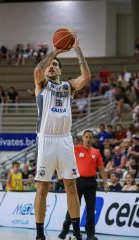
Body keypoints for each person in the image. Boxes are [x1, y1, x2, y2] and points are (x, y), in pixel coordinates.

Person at [33, 32, 90, 240]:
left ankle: (75, 232)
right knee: (42, 187)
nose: (52, 66)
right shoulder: (42, 85)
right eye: (50, 64)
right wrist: (55, 51)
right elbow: (38, 69)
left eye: (56, 64)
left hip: (64, 139)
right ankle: (40, 234)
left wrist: (77, 49)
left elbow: (86, 78)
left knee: (71, 186)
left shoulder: (68, 86)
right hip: (46, 138)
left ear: (61, 70)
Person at [58, 130, 108, 240]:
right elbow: (64, 158)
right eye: (86, 137)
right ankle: (65, 229)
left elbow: (101, 169)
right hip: (78, 181)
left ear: (93, 139)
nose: (88, 139)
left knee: (91, 209)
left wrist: (105, 183)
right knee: (73, 207)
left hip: (91, 182)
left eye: (90, 137)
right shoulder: (75, 149)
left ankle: (90, 234)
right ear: (83, 138)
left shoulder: (96, 152)